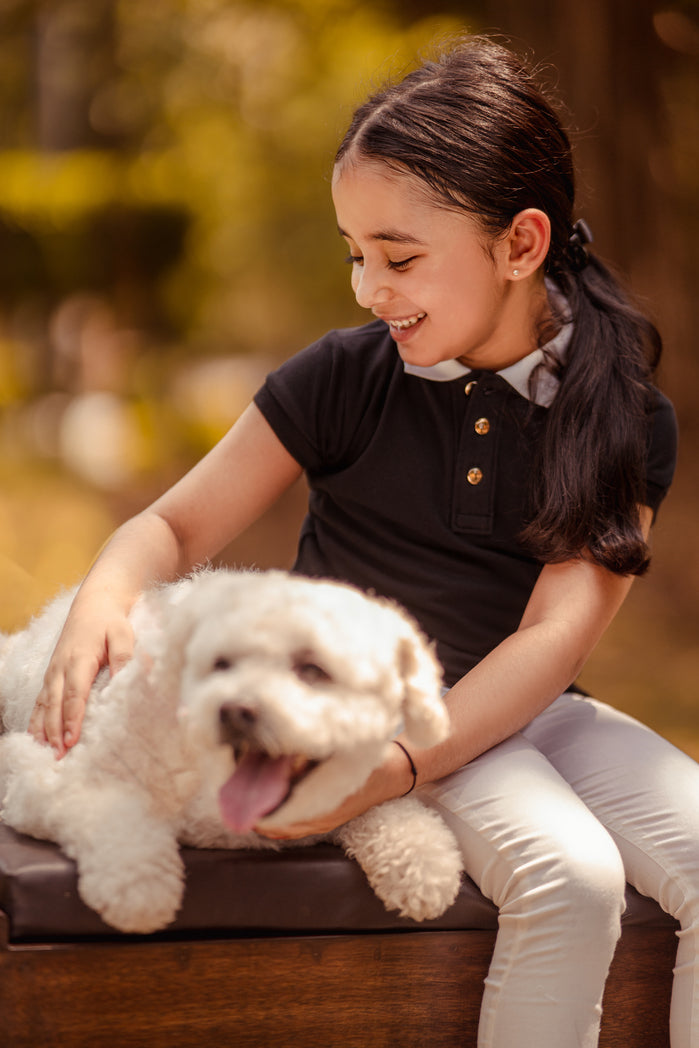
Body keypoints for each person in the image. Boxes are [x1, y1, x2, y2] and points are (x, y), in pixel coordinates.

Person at [28, 35, 697, 1048]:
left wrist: (401, 763)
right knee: (571, 876)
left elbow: (552, 640)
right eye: (355, 254)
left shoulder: (621, 413)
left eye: (399, 257)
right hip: (372, 705)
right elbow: (172, 523)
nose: (368, 290)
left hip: (514, 703)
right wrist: (102, 601)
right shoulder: (346, 374)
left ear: (521, 243)